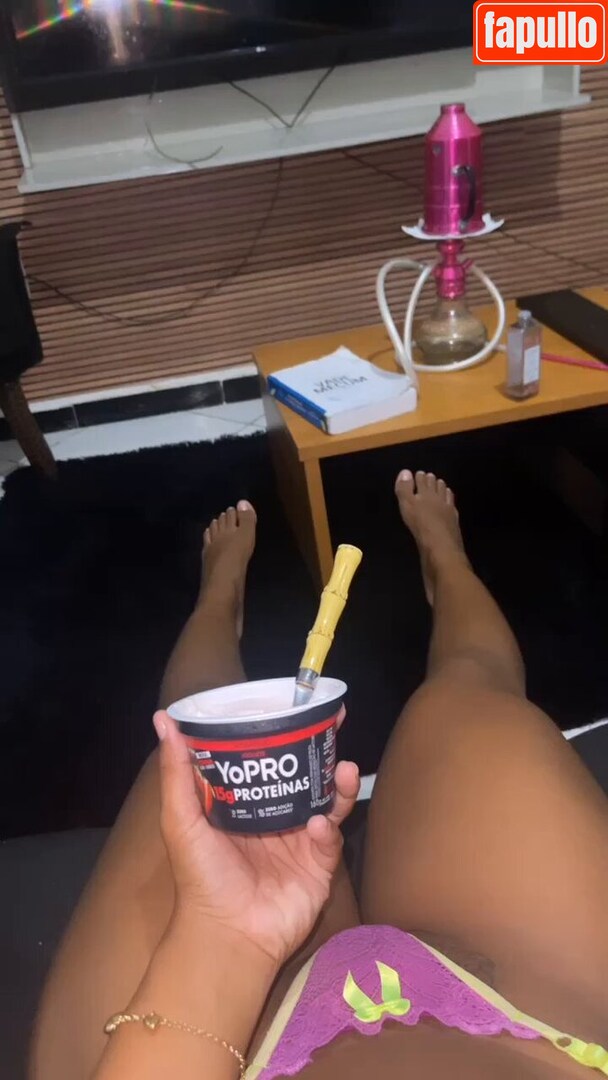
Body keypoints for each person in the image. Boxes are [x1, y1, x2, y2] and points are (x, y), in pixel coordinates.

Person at [30, 471, 608, 1080]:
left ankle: (221, 597)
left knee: (189, 732)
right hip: (540, 1029)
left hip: (219, 1033)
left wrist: (224, 936)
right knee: (470, 687)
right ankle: (444, 560)